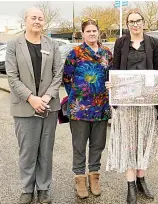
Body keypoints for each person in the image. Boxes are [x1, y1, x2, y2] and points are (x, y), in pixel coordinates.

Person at [105, 10, 158, 204]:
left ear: (143, 22)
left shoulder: (153, 43)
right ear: (127, 24)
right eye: (131, 22)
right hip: (125, 103)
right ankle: (131, 185)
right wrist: (111, 84)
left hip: (146, 102)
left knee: (144, 141)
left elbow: (156, 69)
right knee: (128, 143)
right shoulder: (121, 43)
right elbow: (115, 69)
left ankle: (141, 179)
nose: (135, 24)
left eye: (138, 21)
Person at [5, 7, 63, 204]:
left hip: (49, 106)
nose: (37, 21)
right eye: (33, 18)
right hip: (24, 106)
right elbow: (12, 77)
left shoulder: (52, 45)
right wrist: (31, 98)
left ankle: (44, 188)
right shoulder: (14, 44)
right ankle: (27, 188)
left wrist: (46, 97)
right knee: (28, 150)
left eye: (40, 18)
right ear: (26, 20)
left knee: (45, 150)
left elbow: (58, 74)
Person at [63, 19, 113, 199]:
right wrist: (78, 97)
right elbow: (67, 79)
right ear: (82, 34)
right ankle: (79, 179)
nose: (92, 34)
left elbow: (111, 77)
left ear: (99, 33)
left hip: (101, 108)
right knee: (79, 146)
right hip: (79, 109)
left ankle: (94, 177)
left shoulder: (107, 53)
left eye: (94, 31)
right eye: (88, 31)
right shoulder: (74, 53)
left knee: (98, 145)